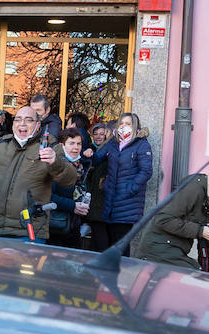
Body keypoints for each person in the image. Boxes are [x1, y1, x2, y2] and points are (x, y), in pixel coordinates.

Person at [0, 105, 76, 243]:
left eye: (28, 120)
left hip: (30, 230)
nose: (22, 124)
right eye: (18, 119)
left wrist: (55, 162)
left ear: (38, 125)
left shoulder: (50, 146)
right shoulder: (2, 143)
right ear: (13, 124)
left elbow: (70, 178)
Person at [89, 112, 153, 252]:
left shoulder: (141, 144)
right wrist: (88, 153)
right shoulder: (113, 143)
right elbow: (97, 158)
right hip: (111, 200)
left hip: (127, 203)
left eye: (128, 124)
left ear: (135, 126)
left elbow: (146, 171)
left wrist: (129, 189)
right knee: (112, 244)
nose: (124, 127)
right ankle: (111, 273)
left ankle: (121, 273)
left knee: (121, 244)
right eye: (122, 123)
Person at [131, 172, 209, 269]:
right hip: (158, 249)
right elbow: (163, 219)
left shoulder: (205, 195)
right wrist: (200, 231)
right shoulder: (194, 188)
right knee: (194, 277)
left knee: (200, 276)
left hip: (175, 250)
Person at [46, 128, 89, 249]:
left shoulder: (81, 165)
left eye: (79, 143)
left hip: (73, 225)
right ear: (62, 145)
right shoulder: (54, 165)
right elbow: (47, 195)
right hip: (54, 226)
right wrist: (72, 206)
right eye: (71, 143)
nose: (76, 147)